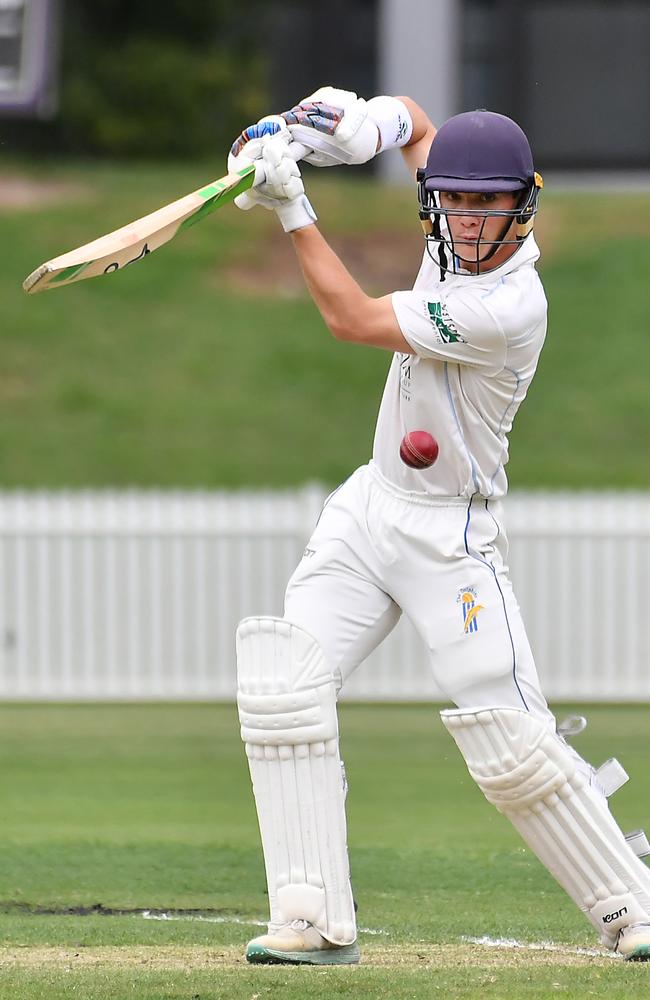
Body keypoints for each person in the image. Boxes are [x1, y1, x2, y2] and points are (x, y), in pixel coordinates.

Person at [230, 88, 650, 966]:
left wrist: (292, 204)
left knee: (508, 737)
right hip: (370, 506)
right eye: (451, 199)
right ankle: (310, 915)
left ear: (522, 203)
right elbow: (420, 125)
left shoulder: (508, 307)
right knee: (283, 686)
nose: (465, 218)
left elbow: (352, 320)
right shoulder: (451, 223)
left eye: (487, 202)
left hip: (450, 538)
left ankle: (632, 904)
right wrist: (353, 128)